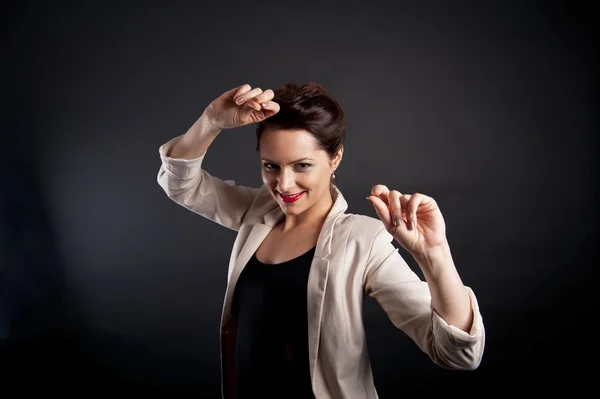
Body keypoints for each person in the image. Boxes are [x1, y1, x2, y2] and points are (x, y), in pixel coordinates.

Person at [156, 83, 485, 399]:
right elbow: (181, 185)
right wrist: (211, 120)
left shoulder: (362, 240)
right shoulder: (256, 212)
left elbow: (456, 354)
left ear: (335, 158)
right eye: (271, 166)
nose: (284, 184)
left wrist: (434, 255)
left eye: (302, 166)